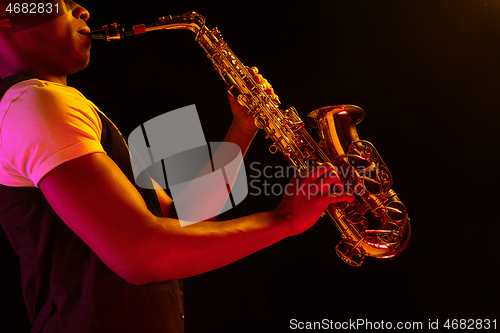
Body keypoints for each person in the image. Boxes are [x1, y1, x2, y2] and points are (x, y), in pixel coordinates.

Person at [0, 1, 354, 332]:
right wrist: (285, 220)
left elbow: (182, 221)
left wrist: (243, 127)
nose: (83, 10)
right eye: (58, 1)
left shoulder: (48, 104)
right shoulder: (34, 102)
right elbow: (140, 255)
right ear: (6, 15)